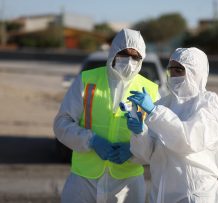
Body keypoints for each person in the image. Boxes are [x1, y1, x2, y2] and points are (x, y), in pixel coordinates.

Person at [53, 28, 159, 203]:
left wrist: (133, 151)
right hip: (83, 180)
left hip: (128, 183)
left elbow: (158, 142)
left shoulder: (151, 91)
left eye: (136, 56)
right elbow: (61, 123)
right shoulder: (87, 81)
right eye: (124, 54)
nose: (130, 61)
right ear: (114, 52)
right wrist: (91, 140)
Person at [126, 47, 218, 203]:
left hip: (194, 194)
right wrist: (140, 133)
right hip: (161, 194)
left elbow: (188, 141)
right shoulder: (164, 103)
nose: (174, 74)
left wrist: (154, 113)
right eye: (171, 69)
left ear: (196, 72)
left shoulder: (208, 103)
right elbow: (147, 155)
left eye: (180, 69)